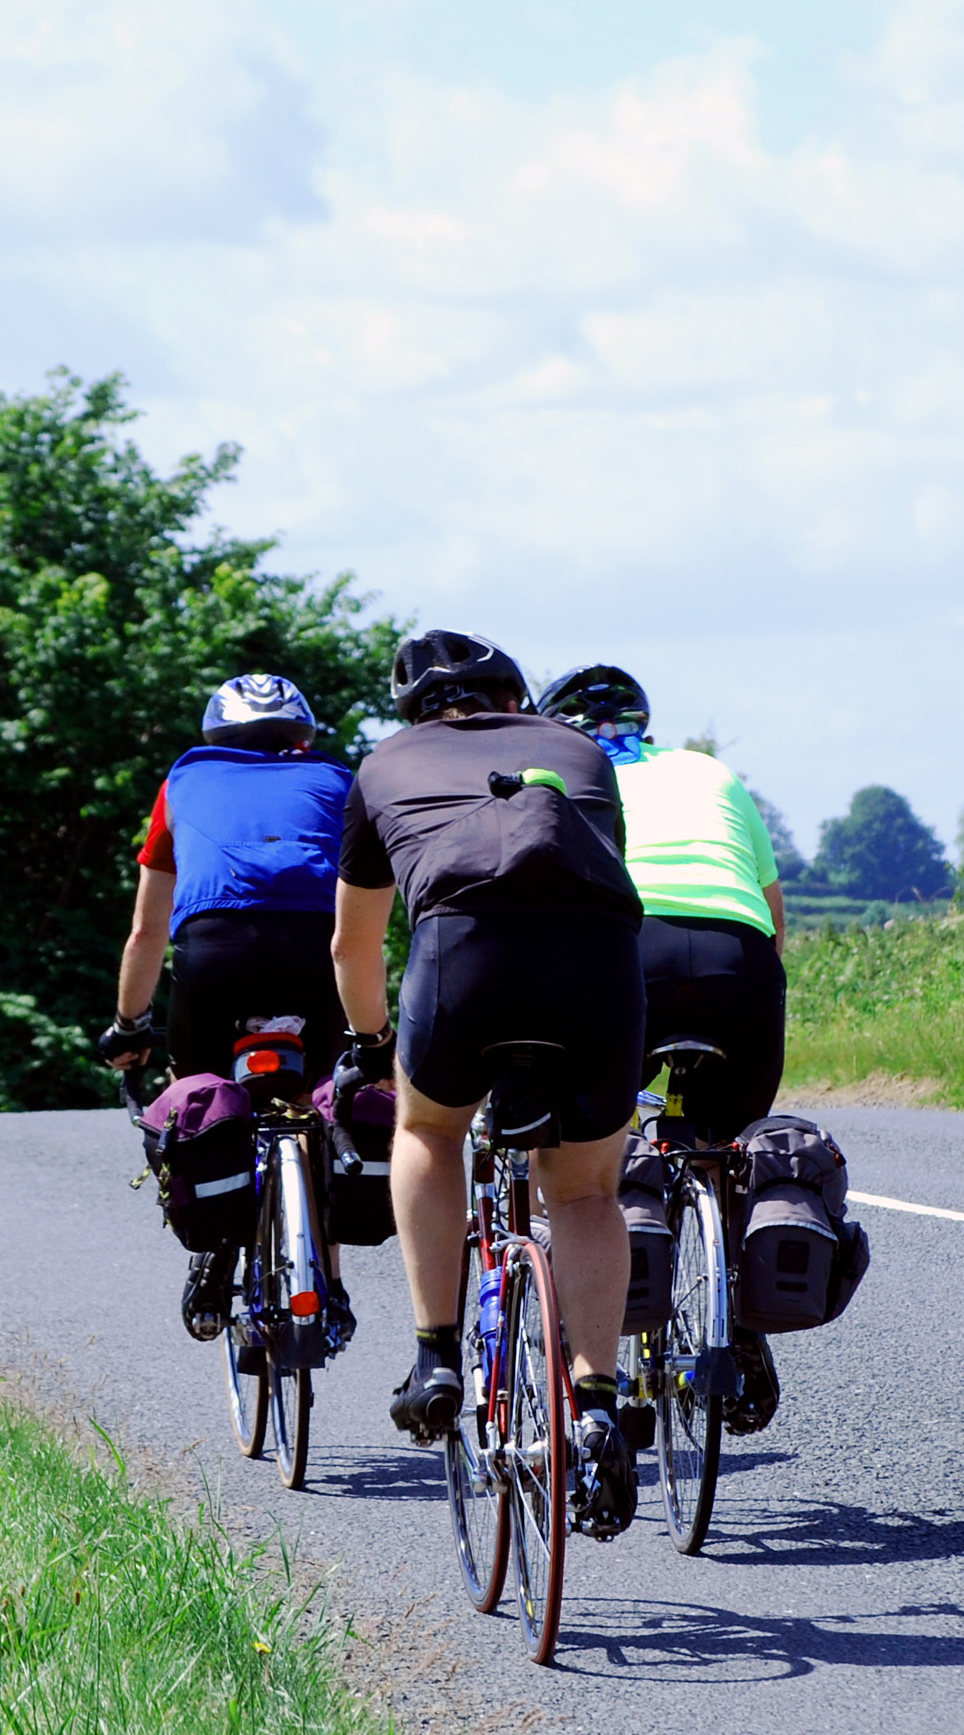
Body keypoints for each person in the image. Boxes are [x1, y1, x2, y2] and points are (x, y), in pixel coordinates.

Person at [329, 630, 647, 1537]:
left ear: (414, 711)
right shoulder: (579, 749)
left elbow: (354, 944)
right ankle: (594, 1406)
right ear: (517, 698)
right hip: (596, 963)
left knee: (427, 1131)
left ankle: (433, 1356)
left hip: (462, 953)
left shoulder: (383, 764)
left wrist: (371, 1040)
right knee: (585, 1191)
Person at [536, 663, 790, 1434]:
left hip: (628, 952)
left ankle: (612, 1334)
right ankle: (736, 1319)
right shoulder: (711, 772)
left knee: (593, 1160)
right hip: (738, 962)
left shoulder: (559, 777)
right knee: (722, 1141)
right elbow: (774, 919)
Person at [104, 673, 353, 1343]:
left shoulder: (183, 784)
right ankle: (327, 1282)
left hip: (214, 953)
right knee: (319, 1105)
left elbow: (146, 932)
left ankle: (213, 1255)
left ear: (217, 732)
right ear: (302, 735)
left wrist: (130, 1025)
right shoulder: (337, 780)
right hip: (316, 951)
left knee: (205, 1095)